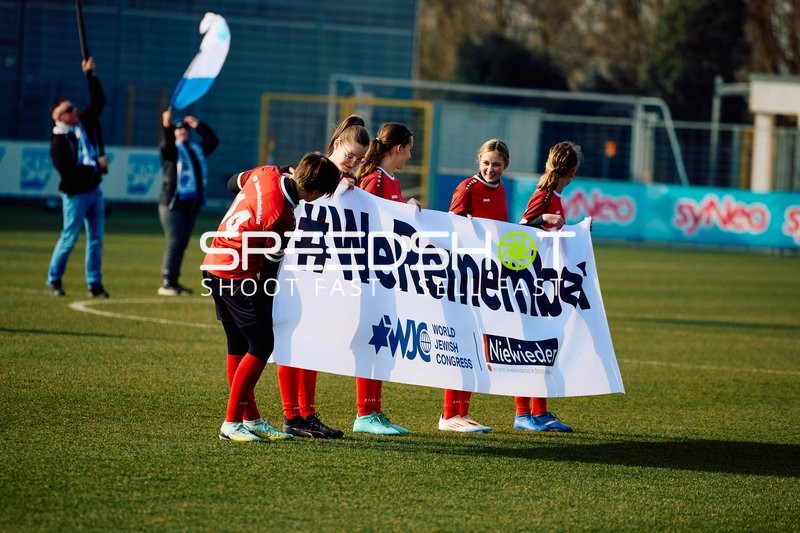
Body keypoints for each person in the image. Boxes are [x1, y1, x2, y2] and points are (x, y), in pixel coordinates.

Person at [203, 152, 342, 442]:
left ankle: (250, 419)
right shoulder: (282, 217)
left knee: (238, 344)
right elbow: (268, 269)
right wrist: (268, 304)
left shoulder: (266, 172)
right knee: (262, 343)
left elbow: (233, 183)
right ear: (315, 192)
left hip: (215, 263)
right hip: (235, 275)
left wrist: (278, 172)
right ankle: (231, 423)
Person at [275, 115, 370, 439]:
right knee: (293, 341)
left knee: (313, 343)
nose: (353, 163)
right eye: (350, 155)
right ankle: (292, 416)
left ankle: (308, 414)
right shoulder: (313, 172)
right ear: (337, 143)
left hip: (325, 274)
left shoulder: (351, 188)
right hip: (295, 271)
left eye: (359, 159)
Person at [439, 139, 513, 433]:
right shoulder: (468, 188)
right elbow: (450, 227)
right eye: (486, 163)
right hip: (463, 278)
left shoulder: (502, 190)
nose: (490, 169)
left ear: (505, 165)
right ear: (478, 161)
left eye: (496, 164)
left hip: (488, 278)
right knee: (461, 342)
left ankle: (462, 411)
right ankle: (448, 414)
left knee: (476, 345)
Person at [352, 122, 420, 436]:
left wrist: (408, 207)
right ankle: (365, 412)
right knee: (372, 341)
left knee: (382, 342)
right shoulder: (374, 178)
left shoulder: (390, 179)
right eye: (409, 148)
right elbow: (360, 219)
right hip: (370, 275)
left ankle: (374, 410)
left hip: (387, 274)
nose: (410, 154)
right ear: (397, 149)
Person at [514, 140, 584, 433]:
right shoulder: (543, 196)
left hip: (548, 282)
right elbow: (518, 230)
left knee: (545, 348)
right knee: (530, 348)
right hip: (532, 281)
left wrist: (577, 232)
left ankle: (540, 411)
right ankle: (522, 414)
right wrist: (541, 218)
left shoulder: (553, 194)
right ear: (572, 172)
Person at [45, 57, 109, 298]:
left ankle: (95, 284)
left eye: (73, 108)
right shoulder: (58, 142)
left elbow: (99, 102)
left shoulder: (83, 126)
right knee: (69, 238)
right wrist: (96, 167)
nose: (75, 111)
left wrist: (91, 76)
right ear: (59, 117)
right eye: (68, 110)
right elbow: (69, 171)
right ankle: (53, 280)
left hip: (94, 191)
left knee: (96, 240)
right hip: (76, 194)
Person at [157, 108, 219, 295]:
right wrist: (166, 126)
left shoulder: (195, 150)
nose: (182, 131)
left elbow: (213, 141)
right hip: (172, 203)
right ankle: (167, 281)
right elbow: (166, 145)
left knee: (182, 243)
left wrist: (199, 125)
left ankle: (174, 281)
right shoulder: (171, 152)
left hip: (191, 204)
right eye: (178, 129)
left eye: (184, 129)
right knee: (175, 242)